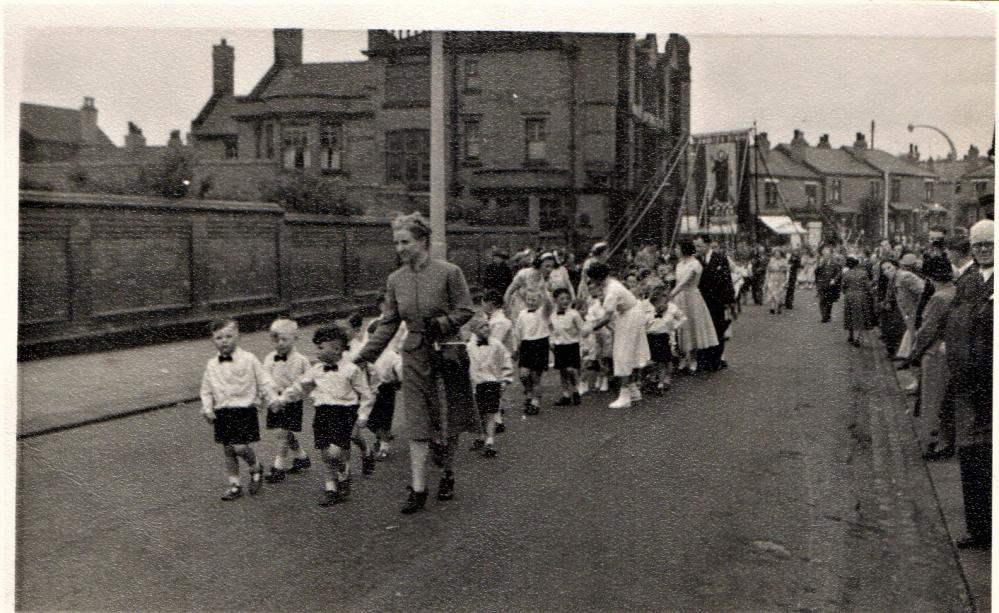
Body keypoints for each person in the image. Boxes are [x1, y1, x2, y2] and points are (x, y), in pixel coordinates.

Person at [355, 212, 478, 515]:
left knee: (446, 418)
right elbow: (388, 323)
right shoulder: (395, 279)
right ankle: (419, 487)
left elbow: (466, 310)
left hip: (445, 353)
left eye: (405, 242)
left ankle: (447, 473)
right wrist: (364, 355)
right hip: (413, 355)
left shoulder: (449, 272)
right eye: (396, 243)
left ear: (422, 241)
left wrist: (443, 322)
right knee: (418, 421)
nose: (399, 248)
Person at [272, 325, 373, 507]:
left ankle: (343, 472)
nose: (316, 352)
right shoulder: (316, 370)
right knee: (325, 454)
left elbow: (366, 394)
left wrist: (363, 414)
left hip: (344, 413)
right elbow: (299, 387)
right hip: (322, 413)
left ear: (335, 349)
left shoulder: (351, 370)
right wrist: (283, 399)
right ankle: (331, 489)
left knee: (335, 452)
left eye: (320, 348)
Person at [945, 219, 993, 549]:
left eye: (989, 244)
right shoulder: (968, 281)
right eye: (978, 245)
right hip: (972, 381)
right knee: (974, 455)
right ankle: (980, 530)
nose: (984, 249)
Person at [200, 319, 276, 501]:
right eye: (218, 338)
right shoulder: (211, 364)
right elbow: (206, 389)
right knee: (228, 450)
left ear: (238, 337)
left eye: (228, 336)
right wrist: (207, 408)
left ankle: (255, 466)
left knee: (240, 447)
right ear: (212, 340)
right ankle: (234, 484)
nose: (224, 341)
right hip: (223, 411)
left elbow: (264, 380)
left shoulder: (249, 359)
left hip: (244, 409)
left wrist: (272, 399)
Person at [907, 257, 955, 459]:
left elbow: (927, 331)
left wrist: (914, 354)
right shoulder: (956, 291)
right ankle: (946, 440)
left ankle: (937, 443)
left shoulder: (939, 298)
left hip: (935, 354)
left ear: (931, 277)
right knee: (946, 400)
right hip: (950, 352)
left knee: (933, 400)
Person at [586, 261, 651, 408]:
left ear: (597, 278)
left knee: (622, 353)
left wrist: (591, 328)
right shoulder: (610, 284)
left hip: (630, 316)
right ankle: (633, 391)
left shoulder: (612, 290)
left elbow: (607, 317)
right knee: (630, 352)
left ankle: (625, 396)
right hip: (630, 314)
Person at [261, 318, 313, 483]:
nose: (280, 343)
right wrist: (269, 398)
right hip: (275, 399)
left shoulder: (302, 360)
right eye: (276, 339)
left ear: (295, 338)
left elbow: (309, 381)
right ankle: (301, 457)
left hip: (292, 401)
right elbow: (265, 379)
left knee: (282, 433)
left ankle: (279, 467)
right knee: (282, 431)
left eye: (285, 339)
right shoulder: (270, 358)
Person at [364, 298, 406, 460]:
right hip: (370, 387)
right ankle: (381, 435)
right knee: (370, 418)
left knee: (384, 416)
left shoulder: (391, 355)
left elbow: (399, 364)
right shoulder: (369, 353)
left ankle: (384, 444)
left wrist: (400, 380)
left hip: (386, 387)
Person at [467, 317, 514, 457]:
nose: (486, 329)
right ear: (474, 330)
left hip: (492, 382)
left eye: (487, 326)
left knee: (491, 412)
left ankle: (490, 441)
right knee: (478, 413)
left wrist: (506, 379)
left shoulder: (496, 344)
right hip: (476, 385)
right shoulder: (469, 347)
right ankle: (481, 436)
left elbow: (506, 359)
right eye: (482, 327)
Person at [670, 240, 719, 373]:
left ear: (684, 249)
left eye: (678, 248)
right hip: (680, 298)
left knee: (692, 326)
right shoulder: (679, 264)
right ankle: (682, 359)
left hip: (691, 297)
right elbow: (677, 281)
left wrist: (671, 294)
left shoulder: (695, 264)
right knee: (680, 328)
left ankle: (693, 359)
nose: (676, 250)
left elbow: (685, 282)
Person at [693, 235, 735, 371]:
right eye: (696, 246)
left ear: (708, 245)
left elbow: (727, 280)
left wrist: (729, 301)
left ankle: (716, 359)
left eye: (700, 246)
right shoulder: (696, 260)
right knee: (703, 329)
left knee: (717, 328)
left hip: (717, 300)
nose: (697, 249)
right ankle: (703, 359)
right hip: (701, 300)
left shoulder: (720, 258)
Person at [514, 289, 552, 415]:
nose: (530, 302)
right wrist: (517, 349)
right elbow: (518, 333)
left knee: (536, 376)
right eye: (528, 299)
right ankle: (529, 393)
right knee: (524, 375)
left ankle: (535, 402)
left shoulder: (543, 312)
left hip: (540, 344)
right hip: (526, 345)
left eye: (534, 299)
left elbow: (549, 304)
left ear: (540, 300)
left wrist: (544, 289)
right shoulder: (521, 314)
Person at [549, 287, 586, 406]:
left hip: (572, 345)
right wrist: (551, 342)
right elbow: (550, 330)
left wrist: (584, 346)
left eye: (567, 298)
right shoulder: (552, 315)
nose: (565, 301)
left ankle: (576, 391)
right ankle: (565, 395)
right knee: (563, 371)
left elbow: (583, 330)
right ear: (555, 300)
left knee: (571, 370)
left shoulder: (574, 314)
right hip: (559, 346)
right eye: (562, 299)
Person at [646, 285, 686, 393]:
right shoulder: (648, 307)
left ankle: (664, 379)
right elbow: (644, 322)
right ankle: (656, 376)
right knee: (654, 360)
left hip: (665, 337)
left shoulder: (672, 308)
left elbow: (683, 318)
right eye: (658, 297)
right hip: (651, 336)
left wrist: (674, 326)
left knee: (665, 359)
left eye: (663, 296)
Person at [894, 253, 926, 364]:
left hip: (914, 309)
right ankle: (907, 356)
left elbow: (922, 291)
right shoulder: (909, 276)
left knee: (913, 332)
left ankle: (908, 357)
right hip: (913, 309)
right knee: (912, 332)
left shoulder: (907, 276)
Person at [841, 255, 875, 347]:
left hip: (849, 296)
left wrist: (847, 292)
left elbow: (843, 287)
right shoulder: (863, 273)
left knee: (850, 315)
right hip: (861, 296)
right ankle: (858, 339)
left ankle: (851, 336)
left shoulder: (846, 274)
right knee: (860, 317)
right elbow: (868, 287)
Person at [876, 258, 906, 358]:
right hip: (889, 308)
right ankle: (892, 351)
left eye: (889, 268)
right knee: (888, 330)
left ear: (896, 266)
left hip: (898, 309)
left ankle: (898, 353)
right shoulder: (889, 279)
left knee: (896, 330)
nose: (886, 271)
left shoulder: (901, 277)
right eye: (884, 269)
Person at [814, 245, 842, 323]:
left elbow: (839, 272)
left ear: (830, 253)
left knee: (829, 301)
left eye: (827, 251)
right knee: (822, 300)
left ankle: (828, 315)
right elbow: (816, 272)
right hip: (822, 284)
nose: (825, 253)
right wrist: (818, 266)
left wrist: (834, 279)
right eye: (824, 251)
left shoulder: (834, 261)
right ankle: (824, 317)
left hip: (830, 284)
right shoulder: (820, 260)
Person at [764, 248, 790, 315]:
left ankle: (779, 306)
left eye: (778, 254)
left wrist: (786, 280)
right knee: (772, 292)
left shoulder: (784, 261)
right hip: (772, 278)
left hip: (781, 278)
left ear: (781, 254)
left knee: (780, 293)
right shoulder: (771, 261)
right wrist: (766, 279)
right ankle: (772, 307)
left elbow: (787, 271)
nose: (777, 255)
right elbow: (768, 271)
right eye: (775, 254)